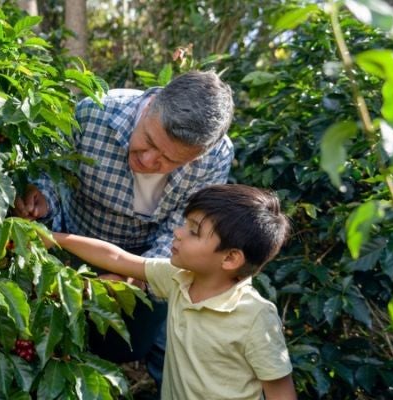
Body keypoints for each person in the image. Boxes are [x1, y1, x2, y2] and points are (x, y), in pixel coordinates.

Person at [13, 71, 235, 384]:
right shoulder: (95, 112)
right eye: (148, 141)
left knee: (127, 345)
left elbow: (183, 226)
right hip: (75, 239)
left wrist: (136, 277)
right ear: (151, 105)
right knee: (55, 332)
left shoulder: (214, 158)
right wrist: (43, 199)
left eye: (168, 160)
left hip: (145, 255)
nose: (146, 160)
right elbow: (55, 173)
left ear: (196, 156)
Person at [46, 184, 297, 399]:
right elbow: (117, 257)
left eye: (193, 231)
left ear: (230, 258)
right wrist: (55, 238)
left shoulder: (254, 316)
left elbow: (280, 391)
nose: (177, 233)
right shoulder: (179, 279)